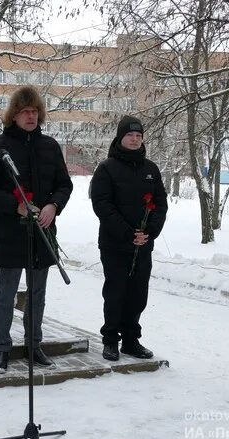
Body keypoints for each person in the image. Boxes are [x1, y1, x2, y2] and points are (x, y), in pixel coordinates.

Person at [0, 86, 73, 374]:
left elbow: (64, 184)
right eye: (25, 112)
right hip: (11, 230)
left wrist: (53, 205)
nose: (31, 116)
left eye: (34, 111)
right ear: (14, 115)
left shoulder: (50, 146)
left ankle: (34, 344)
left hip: (42, 230)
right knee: (6, 293)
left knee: (37, 293)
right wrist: (13, 205)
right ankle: (2, 348)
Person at [90, 115, 167, 361]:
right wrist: (126, 233)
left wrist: (150, 231)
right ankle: (111, 340)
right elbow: (102, 205)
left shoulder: (151, 169)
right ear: (120, 138)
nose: (134, 140)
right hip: (115, 243)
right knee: (115, 291)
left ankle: (131, 340)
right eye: (129, 135)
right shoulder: (106, 168)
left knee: (138, 293)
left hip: (143, 244)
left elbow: (160, 203)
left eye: (138, 136)